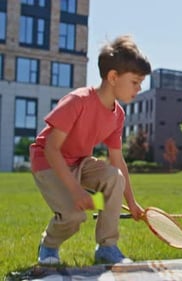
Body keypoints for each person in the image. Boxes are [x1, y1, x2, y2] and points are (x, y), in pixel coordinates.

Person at [29, 35, 151, 265]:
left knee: (113, 178)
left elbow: (117, 161)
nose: (139, 88)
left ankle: (107, 247)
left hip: (79, 162)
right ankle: (49, 245)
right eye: (135, 82)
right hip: (48, 162)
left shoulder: (118, 115)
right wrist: (77, 192)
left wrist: (132, 203)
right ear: (113, 77)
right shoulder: (78, 101)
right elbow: (52, 150)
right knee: (74, 216)